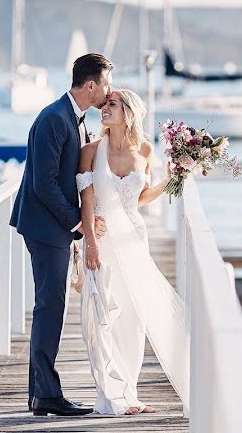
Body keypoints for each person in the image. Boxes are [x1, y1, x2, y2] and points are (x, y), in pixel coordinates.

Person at [75, 89, 190, 415]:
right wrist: (91, 243)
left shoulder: (146, 150)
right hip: (103, 239)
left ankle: (130, 392)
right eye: (104, 104)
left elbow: (139, 197)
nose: (104, 109)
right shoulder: (91, 151)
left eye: (111, 104)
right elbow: (86, 199)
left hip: (135, 239)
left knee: (133, 317)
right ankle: (109, 394)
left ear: (129, 111)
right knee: (103, 314)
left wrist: (174, 179)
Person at [10, 53, 112, 416]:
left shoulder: (75, 119)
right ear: (90, 85)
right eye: (105, 84)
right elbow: (44, 184)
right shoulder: (54, 119)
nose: (107, 91)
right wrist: (79, 223)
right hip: (44, 226)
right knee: (49, 307)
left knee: (51, 307)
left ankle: (40, 395)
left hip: (54, 225)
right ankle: (47, 396)